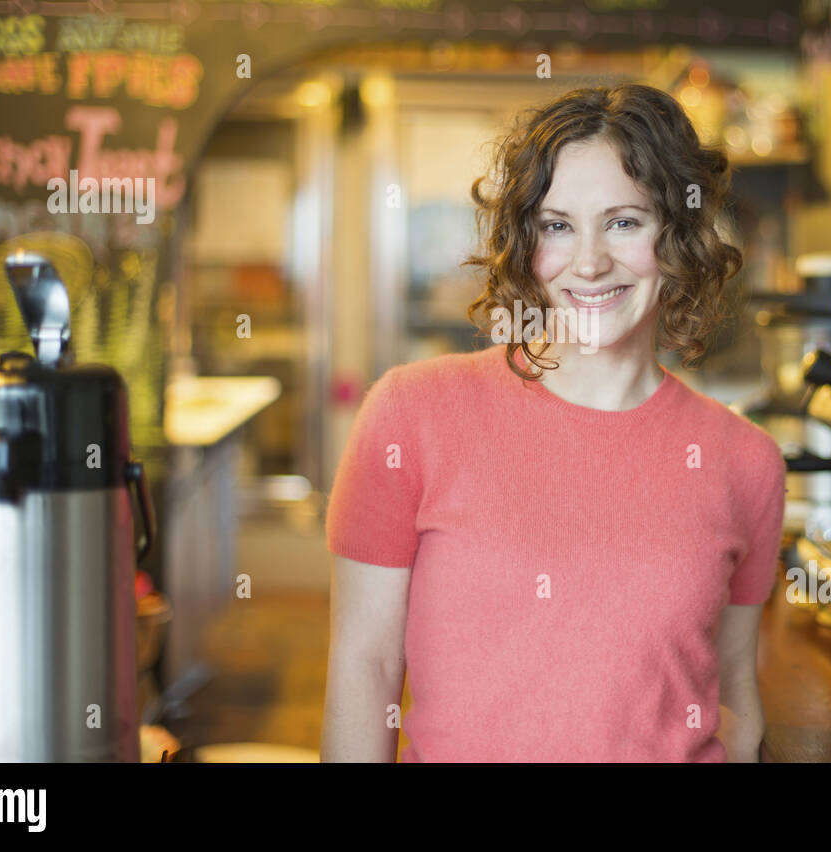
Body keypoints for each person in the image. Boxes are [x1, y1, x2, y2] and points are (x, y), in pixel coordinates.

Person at [321, 82, 786, 762]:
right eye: (558, 225)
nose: (589, 262)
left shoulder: (746, 460)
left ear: (678, 236)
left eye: (625, 222)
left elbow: (734, 689)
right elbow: (365, 669)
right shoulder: (410, 415)